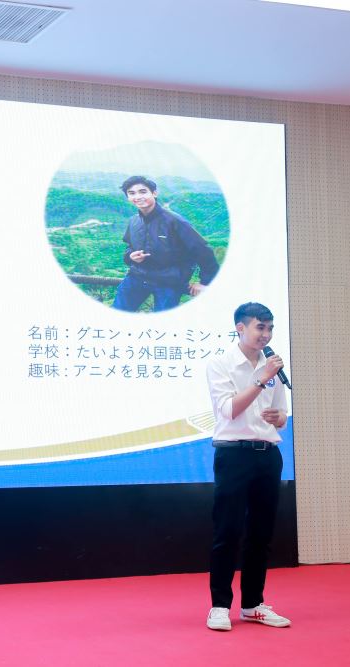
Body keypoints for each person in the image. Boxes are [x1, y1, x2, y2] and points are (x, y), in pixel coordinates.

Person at [205, 302, 291, 631]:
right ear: (240, 328)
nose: (266, 335)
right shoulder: (221, 364)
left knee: (261, 534)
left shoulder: (272, 367)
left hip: (267, 454)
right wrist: (260, 379)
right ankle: (219, 606)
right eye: (260, 327)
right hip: (234, 455)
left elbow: (281, 416)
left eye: (270, 328)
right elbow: (228, 410)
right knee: (227, 532)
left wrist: (278, 417)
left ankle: (253, 604)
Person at [111, 176, 219, 312]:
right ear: (128, 197)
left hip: (169, 283)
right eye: (132, 193)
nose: (137, 197)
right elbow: (129, 247)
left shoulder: (175, 221)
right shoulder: (134, 221)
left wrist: (205, 282)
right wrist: (130, 256)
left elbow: (203, 250)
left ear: (154, 193)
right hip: (136, 277)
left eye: (143, 192)